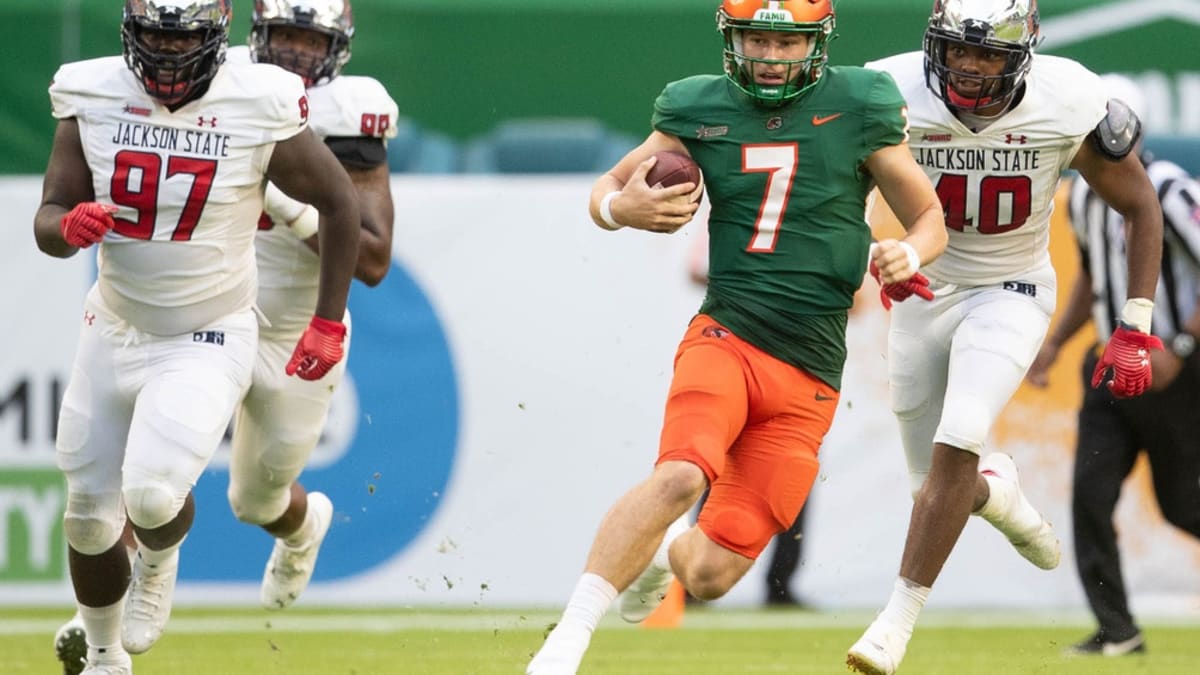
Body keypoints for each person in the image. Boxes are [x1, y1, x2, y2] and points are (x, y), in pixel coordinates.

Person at [526, 2, 948, 673]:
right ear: (733, 38)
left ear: (817, 42)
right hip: (728, 333)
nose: (772, 56)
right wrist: (619, 207)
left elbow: (928, 215)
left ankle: (661, 555)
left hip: (810, 369)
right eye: (758, 38)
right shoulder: (697, 106)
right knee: (680, 476)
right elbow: (608, 185)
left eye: (787, 42)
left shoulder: (862, 101)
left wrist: (912, 253)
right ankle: (565, 643)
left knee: (714, 571)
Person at [35, 0, 361, 673]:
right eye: (155, 33)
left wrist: (328, 322)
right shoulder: (91, 92)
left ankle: (157, 555)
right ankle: (103, 657)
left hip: (209, 329)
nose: (167, 52)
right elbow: (50, 212)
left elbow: (339, 201)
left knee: (154, 495)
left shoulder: (258, 100)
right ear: (131, 31)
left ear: (216, 39)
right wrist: (67, 228)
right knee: (88, 517)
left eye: (182, 37)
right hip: (114, 320)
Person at [850, 2, 1164, 673]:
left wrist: (1135, 323)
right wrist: (878, 252)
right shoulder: (889, 89)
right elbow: (839, 189)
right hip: (923, 291)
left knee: (961, 429)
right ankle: (1001, 494)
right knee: (929, 487)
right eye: (957, 51)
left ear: (1023, 53)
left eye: (987, 53)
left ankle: (893, 624)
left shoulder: (1068, 98)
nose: (968, 67)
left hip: (1011, 287)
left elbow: (1140, 204)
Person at [1026, 74, 1200, 658]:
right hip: (1109, 366)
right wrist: (1054, 344)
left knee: (1184, 503)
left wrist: (1177, 348)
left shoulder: (1171, 189)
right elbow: (1094, 277)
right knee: (1089, 497)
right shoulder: (1080, 196)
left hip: (1174, 373)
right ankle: (1117, 629)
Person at [232, 0, 396, 612]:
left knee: (255, 501)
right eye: (286, 35)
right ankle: (111, 612)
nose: (298, 51)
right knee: (155, 467)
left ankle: (301, 531)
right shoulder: (217, 82)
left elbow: (374, 260)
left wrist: (283, 195)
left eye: (311, 38)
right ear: (258, 34)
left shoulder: (349, 111)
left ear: (337, 45)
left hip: (296, 326)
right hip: (211, 311)